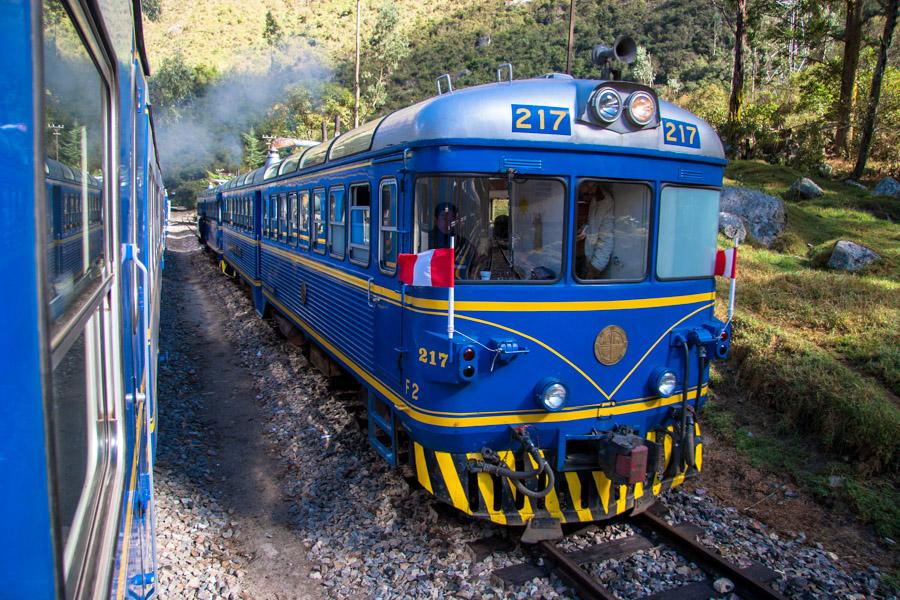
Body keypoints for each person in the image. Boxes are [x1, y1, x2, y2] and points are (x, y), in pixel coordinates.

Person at [576, 183, 615, 279]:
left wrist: (595, 267)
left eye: (594, 186)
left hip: (585, 259)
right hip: (560, 256)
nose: (590, 191)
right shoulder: (562, 191)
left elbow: (606, 237)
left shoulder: (604, 200)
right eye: (587, 186)